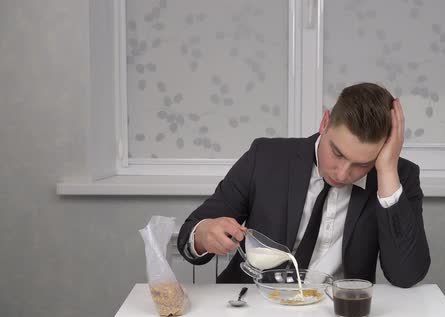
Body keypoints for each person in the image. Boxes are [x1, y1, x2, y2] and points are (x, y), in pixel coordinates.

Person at [177, 82, 430, 287]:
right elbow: (190, 234)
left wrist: (385, 170)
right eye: (338, 153)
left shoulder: (397, 176)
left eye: (361, 164)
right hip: (253, 308)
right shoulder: (265, 156)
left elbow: (406, 276)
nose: (343, 174)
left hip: (336, 316)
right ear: (325, 123)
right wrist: (202, 235)